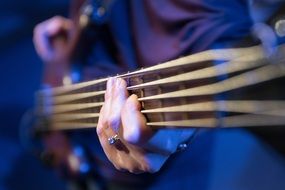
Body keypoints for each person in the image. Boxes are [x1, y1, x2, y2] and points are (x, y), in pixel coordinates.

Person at [33, 0, 260, 189]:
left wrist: (179, 132)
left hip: (152, 173)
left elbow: (218, 47)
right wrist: (72, 30)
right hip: (83, 141)